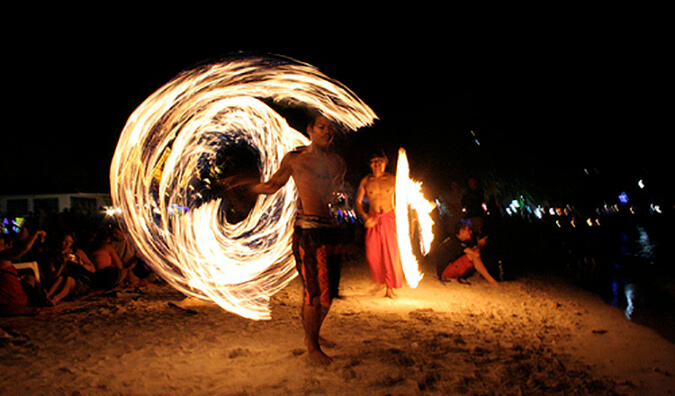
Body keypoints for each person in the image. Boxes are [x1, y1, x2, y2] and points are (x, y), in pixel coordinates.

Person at [226, 112, 346, 365]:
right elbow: (272, 186)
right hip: (309, 232)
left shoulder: (337, 162)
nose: (327, 132)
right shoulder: (295, 159)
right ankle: (312, 346)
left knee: (330, 294)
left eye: (331, 129)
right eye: (322, 127)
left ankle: (314, 333)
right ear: (310, 129)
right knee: (315, 293)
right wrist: (244, 187)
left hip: (330, 230)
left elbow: (334, 193)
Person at [355, 151, 404, 298]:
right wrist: (365, 217)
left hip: (389, 218)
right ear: (370, 164)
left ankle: (390, 288)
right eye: (373, 161)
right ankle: (381, 281)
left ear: (385, 162)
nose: (377, 164)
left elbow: (406, 196)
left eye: (379, 161)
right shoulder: (366, 180)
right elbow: (358, 202)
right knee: (373, 254)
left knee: (390, 254)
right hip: (373, 219)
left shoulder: (393, 179)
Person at [434, 222, 499, 285]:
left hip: (443, 270)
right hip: (446, 272)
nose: (470, 232)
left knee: (472, 254)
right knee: (473, 256)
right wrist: (480, 245)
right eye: (468, 230)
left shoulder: (453, 240)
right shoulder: (457, 243)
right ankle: (492, 281)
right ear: (462, 232)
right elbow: (476, 255)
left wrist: (476, 248)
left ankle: (485, 277)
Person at [0, 228, 46, 316]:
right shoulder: (2, 256)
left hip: (16, 294)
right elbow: (24, 248)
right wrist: (35, 234)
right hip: (9, 298)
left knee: (30, 279)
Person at [44, 232, 97, 305]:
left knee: (69, 279)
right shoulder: (55, 256)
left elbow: (92, 269)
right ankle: (47, 296)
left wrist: (80, 263)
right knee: (61, 278)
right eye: (64, 241)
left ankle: (55, 299)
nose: (66, 244)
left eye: (69, 242)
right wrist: (62, 264)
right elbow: (53, 276)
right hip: (63, 281)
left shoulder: (78, 252)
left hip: (80, 281)